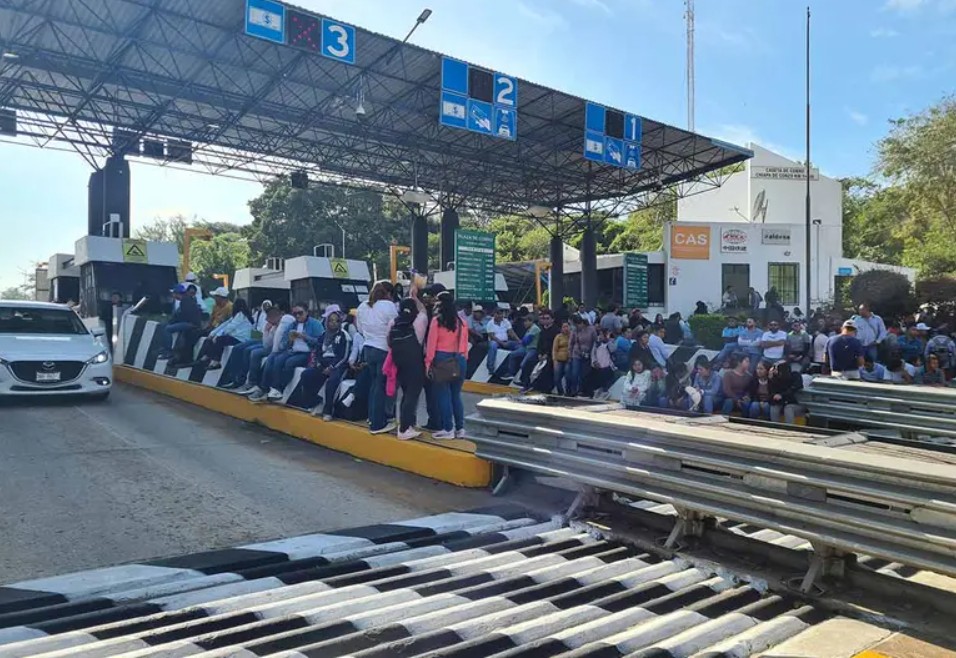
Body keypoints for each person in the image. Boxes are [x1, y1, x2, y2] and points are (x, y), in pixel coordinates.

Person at [252, 302, 323, 402]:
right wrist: (290, 340)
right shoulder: (292, 325)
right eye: (295, 314)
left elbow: (320, 342)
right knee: (275, 359)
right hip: (293, 350)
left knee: (289, 362)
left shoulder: (315, 324)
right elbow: (283, 345)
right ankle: (268, 388)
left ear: (307, 312)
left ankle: (279, 388)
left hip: (308, 353)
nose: (297, 316)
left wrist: (304, 337)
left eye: (300, 313)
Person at [425, 292, 469, 439]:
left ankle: (447, 428)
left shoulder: (437, 321)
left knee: (443, 395)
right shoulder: (462, 322)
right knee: (456, 395)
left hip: (441, 359)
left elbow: (431, 345)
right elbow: (465, 344)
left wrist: (428, 363)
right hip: (459, 359)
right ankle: (460, 428)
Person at [357, 281, 399, 434]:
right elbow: (395, 326)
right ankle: (377, 423)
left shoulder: (363, 306)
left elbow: (360, 328)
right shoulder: (389, 306)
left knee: (374, 384)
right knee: (381, 386)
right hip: (384, 349)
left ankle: (372, 417)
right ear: (388, 294)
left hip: (368, 348)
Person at [297, 311, 351, 420]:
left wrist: (331, 367)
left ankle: (328, 411)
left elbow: (344, 356)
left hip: (338, 365)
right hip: (323, 363)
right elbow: (317, 351)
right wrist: (319, 364)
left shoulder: (344, 335)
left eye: (336, 321)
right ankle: (315, 402)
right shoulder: (323, 335)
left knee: (332, 381)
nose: (333, 323)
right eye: (331, 320)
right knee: (306, 375)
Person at [388, 297, 428, 439]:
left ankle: (405, 425)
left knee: (405, 395)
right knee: (412, 396)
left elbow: (389, 342)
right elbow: (423, 311)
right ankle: (405, 429)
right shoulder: (419, 321)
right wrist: (416, 296)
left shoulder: (393, 322)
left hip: (399, 363)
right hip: (415, 363)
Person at [236, 301, 294, 396]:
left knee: (268, 359)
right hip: (275, 348)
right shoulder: (274, 325)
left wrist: (274, 352)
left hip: (283, 349)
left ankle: (263, 387)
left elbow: (278, 342)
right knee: (253, 352)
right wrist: (267, 331)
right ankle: (252, 383)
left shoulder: (287, 319)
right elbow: (267, 344)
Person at [198, 297, 253, 369]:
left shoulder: (241, 315)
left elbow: (230, 327)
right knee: (209, 339)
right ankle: (206, 357)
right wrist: (213, 333)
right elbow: (224, 325)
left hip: (240, 339)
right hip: (235, 337)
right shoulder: (237, 315)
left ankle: (216, 361)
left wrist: (218, 335)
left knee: (219, 340)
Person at [159, 283, 203, 362]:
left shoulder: (185, 301)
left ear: (177, 293)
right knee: (165, 325)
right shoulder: (187, 299)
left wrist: (175, 322)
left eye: (174, 293)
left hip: (191, 324)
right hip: (190, 322)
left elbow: (185, 316)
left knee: (168, 329)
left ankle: (168, 351)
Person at [507, 314, 541, 385]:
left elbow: (526, 340)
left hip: (532, 349)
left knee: (523, 364)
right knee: (512, 354)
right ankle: (511, 373)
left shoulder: (534, 328)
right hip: (526, 348)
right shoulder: (529, 329)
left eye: (526, 321)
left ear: (531, 321)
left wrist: (520, 343)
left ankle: (525, 381)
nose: (524, 323)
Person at [568, 314, 597, 396]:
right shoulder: (575, 331)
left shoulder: (591, 329)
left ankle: (581, 390)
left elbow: (595, 340)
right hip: (576, 353)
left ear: (582, 323)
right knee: (575, 373)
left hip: (588, 354)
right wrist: (570, 354)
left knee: (584, 374)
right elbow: (571, 343)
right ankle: (573, 390)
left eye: (579, 324)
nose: (578, 326)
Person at [485, 307, 519, 375]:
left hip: (506, 341)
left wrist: (518, 340)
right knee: (493, 345)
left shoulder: (506, 321)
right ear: (494, 314)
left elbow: (511, 332)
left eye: (501, 314)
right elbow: (492, 336)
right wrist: (502, 343)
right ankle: (490, 368)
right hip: (495, 341)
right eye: (498, 314)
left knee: (518, 345)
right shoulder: (490, 323)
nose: (500, 316)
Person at [591, 330, 615, 400]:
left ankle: (604, 392)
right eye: (600, 335)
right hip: (598, 364)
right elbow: (593, 353)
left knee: (606, 376)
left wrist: (608, 341)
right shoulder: (597, 343)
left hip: (607, 365)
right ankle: (597, 391)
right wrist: (594, 361)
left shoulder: (610, 343)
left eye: (603, 335)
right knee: (597, 378)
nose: (601, 336)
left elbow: (613, 350)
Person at [552, 320, 571, 395]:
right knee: (556, 377)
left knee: (568, 375)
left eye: (567, 326)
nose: (566, 328)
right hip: (559, 359)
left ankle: (568, 392)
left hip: (568, 359)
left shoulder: (572, 336)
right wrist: (554, 360)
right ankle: (560, 392)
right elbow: (554, 349)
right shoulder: (558, 337)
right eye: (564, 327)